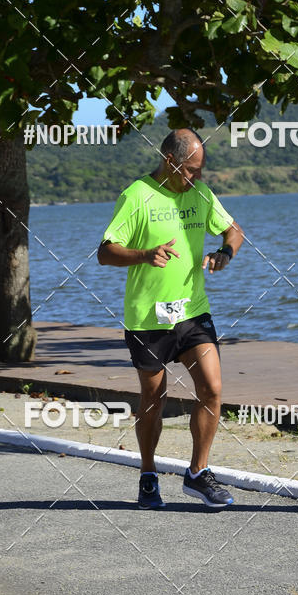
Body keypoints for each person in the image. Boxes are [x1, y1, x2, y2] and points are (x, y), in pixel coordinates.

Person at [97, 128, 243, 509]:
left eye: (200, 170)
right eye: (190, 170)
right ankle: (148, 474)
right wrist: (145, 254)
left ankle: (197, 473)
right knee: (153, 398)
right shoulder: (137, 195)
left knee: (212, 388)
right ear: (169, 161)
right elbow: (106, 252)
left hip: (192, 311)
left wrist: (225, 252)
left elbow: (234, 230)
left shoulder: (200, 194)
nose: (195, 177)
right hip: (148, 318)